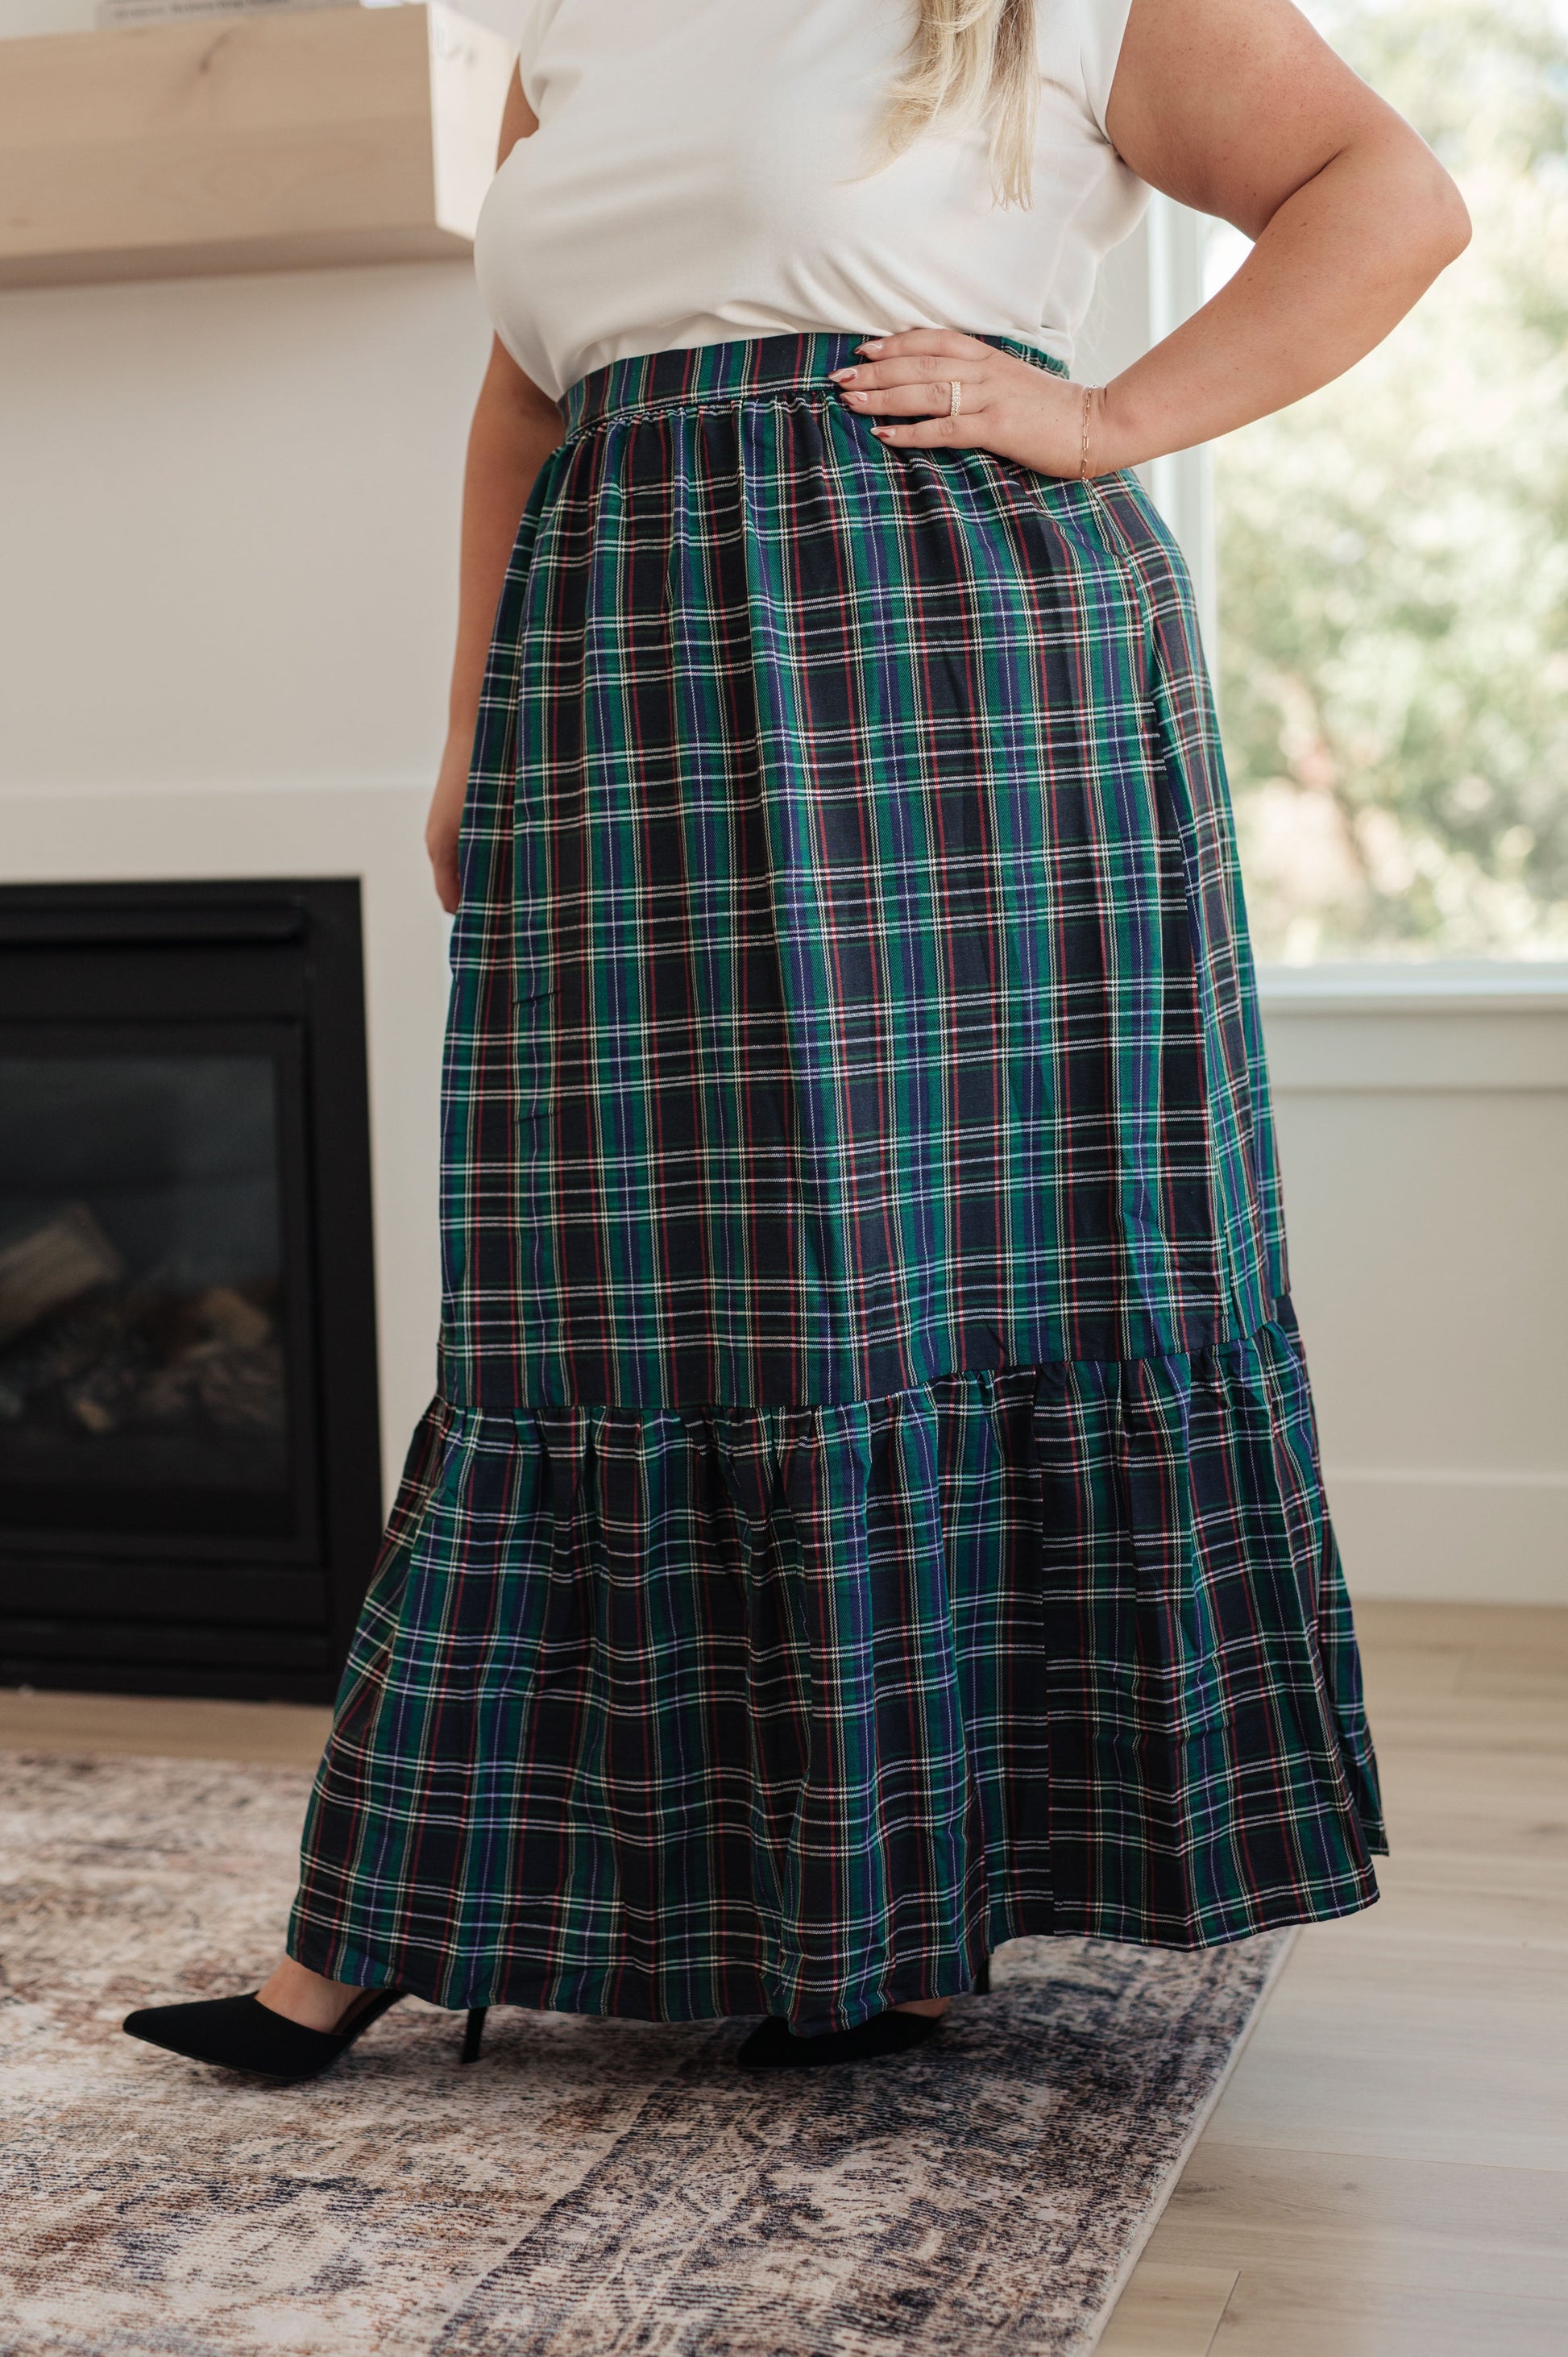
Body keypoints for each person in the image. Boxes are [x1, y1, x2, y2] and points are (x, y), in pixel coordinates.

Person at [127, 0, 1466, 2081]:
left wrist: (1104, 418)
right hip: (622, 684)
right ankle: (393, 1910)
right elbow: (525, 394)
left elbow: (1388, 195)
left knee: (931, 1283)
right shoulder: (577, 22)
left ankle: (896, 1924)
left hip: (953, 690)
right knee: (592, 1295)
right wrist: (469, 727)